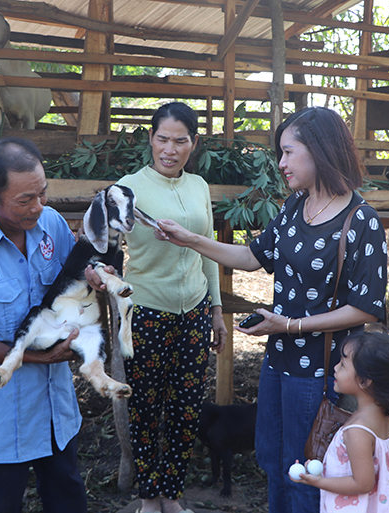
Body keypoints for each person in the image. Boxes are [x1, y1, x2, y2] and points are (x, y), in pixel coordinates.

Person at [154, 106, 388, 513]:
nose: (280, 163)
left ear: (319, 151)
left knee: (304, 471)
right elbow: (251, 256)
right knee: (272, 462)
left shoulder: (361, 220)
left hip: (321, 370)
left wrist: (292, 325)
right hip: (279, 360)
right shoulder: (297, 205)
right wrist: (191, 240)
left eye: (288, 152)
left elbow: (367, 308)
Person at [0, 137, 106, 513]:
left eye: (42, 194)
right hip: (2, 416)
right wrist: (39, 357)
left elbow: (71, 275)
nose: (38, 206)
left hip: (54, 410)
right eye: (24, 200)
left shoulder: (51, 225)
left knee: (68, 500)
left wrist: (92, 273)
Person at [116, 102, 228, 513]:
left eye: (181, 141)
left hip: (195, 312)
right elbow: (105, 250)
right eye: (162, 139)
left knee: (185, 410)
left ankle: (172, 495)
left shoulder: (199, 186)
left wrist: (215, 309)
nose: (170, 149)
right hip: (146, 311)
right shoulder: (127, 188)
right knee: (146, 408)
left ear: (193, 143)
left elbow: (209, 251)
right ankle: (148, 497)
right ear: (150, 139)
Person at [295, 330, 389, 512]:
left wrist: (319, 481)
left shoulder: (358, 430)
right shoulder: (383, 413)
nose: (335, 368)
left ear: (365, 381)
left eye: (342, 364)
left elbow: (363, 483)